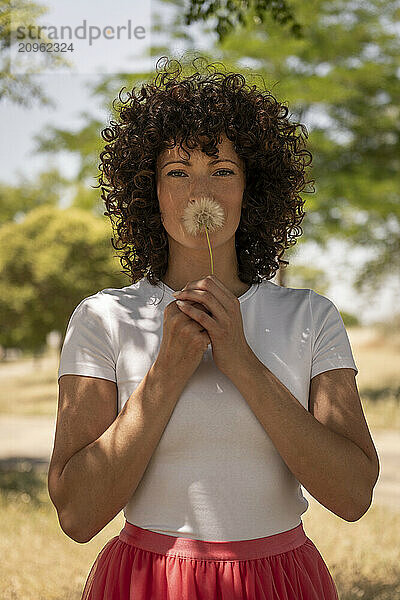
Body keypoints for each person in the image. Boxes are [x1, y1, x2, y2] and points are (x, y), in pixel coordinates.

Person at [48, 56, 380, 599]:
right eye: (177, 171)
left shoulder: (312, 316)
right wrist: (168, 371)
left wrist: (241, 360)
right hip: (149, 582)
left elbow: (352, 496)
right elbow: (77, 516)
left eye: (223, 170)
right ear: (149, 192)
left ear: (252, 190)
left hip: (279, 580)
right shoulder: (102, 318)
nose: (200, 188)